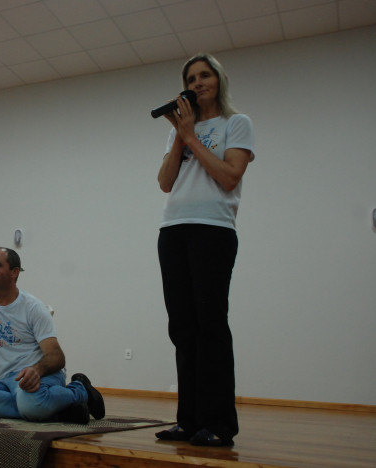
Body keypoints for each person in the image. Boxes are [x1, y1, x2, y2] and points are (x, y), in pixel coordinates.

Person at [155, 53, 254, 447]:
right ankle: (189, 421)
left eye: (205, 75)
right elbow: (165, 183)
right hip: (173, 230)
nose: (198, 83)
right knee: (182, 327)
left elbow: (230, 177)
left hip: (213, 230)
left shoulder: (236, 123)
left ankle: (218, 424)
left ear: (218, 80)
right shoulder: (179, 131)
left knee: (210, 325)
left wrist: (192, 136)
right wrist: (181, 134)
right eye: (191, 78)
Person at [0, 247, 105, 424]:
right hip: (8, 382)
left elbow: (57, 357)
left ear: (14, 272)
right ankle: (56, 410)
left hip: (43, 376)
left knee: (31, 402)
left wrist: (36, 370)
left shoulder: (33, 307)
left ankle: (80, 390)